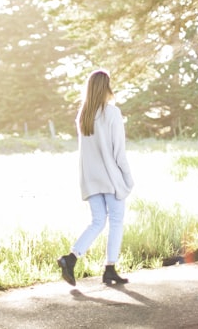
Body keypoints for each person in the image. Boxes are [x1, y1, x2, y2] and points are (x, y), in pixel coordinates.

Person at [57, 69, 134, 286]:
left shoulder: (83, 115)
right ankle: (110, 268)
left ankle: (70, 259)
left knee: (98, 221)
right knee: (116, 221)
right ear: (106, 88)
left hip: (90, 179)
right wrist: (128, 178)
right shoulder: (112, 113)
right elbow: (118, 151)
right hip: (111, 178)